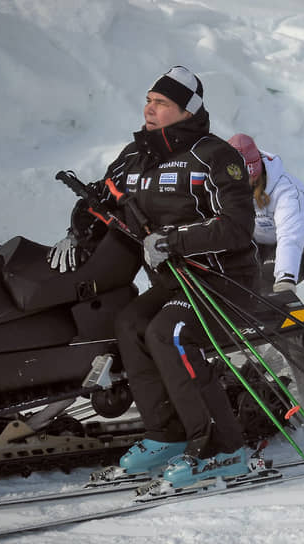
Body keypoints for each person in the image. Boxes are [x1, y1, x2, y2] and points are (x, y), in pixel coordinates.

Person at [48, 66, 258, 488]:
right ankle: (167, 435)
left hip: (221, 281)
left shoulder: (214, 156)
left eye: (162, 103)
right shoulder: (134, 156)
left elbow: (237, 226)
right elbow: (101, 199)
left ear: (186, 111)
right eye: (149, 100)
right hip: (173, 283)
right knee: (129, 323)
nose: (150, 108)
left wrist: (172, 241)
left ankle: (225, 449)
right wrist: (78, 230)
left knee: (169, 332)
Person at [227, 134, 304, 294]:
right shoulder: (224, 183)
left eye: (245, 178)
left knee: (266, 285)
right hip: (263, 238)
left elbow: (290, 235)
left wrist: (285, 277)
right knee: (237, 284)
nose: (238, 185)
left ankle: (295, 317)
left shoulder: (285, 191)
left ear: (255, 174)